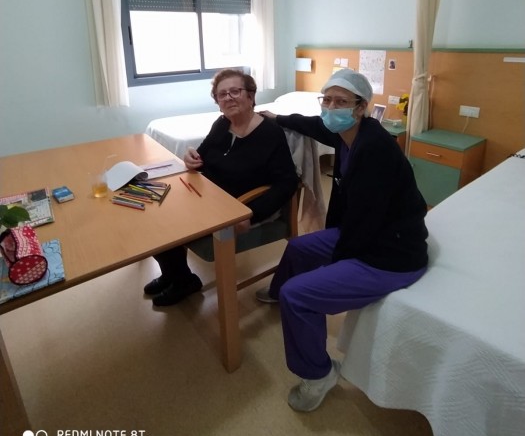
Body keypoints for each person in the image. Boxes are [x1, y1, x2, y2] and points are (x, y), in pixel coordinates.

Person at [257, 68, 428, 412]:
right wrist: (277, 118)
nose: (331, 108)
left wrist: (335, 269)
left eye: (341, 102)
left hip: (391, 254)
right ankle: (277, 293)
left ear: (361, 107)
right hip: (366, 232)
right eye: (327, 100)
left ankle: (319, 374)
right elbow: (313, 124)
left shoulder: (374, 150)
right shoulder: (345, 133)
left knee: (298, 295)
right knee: (298, 247)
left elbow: (365, 225)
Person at [144, 68, 299, 307]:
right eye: (222, 94)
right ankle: (175, 274)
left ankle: (182, 280)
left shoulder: (270, 133)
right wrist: (191, 157)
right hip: (207, 198)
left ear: (250, 96)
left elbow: (287, 182)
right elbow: (203, 156)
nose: (228, 98)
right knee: (156, 210)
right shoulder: (222, 124)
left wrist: (251, 213)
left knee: (169, 223)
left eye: (235, 91)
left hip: (240, 207)